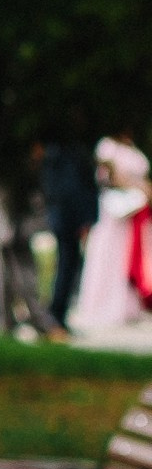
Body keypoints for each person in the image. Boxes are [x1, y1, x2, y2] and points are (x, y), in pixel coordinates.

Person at [72, 133, 151, 339]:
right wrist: (140, 187)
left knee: (129, 256)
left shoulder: (133, 147)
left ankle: (128, 306)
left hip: (133, 213)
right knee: (109, 255)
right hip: (114, 211)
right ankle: (103, 304)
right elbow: (107, 177)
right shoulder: (107, 146)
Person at [38, 138, 100, 334]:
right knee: (66, 267)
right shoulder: (68, 155)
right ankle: (56, 316)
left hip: (64, 218)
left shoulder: (57, 154)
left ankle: (58, 315)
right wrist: (84, 219)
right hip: (68, 219)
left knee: (67, 267)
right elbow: (73, 190)